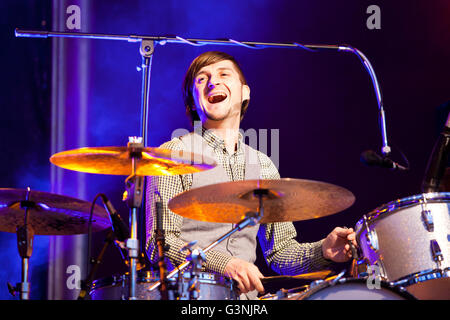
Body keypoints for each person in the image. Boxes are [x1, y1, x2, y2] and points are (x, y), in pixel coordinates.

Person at [145, 51, 357, 299]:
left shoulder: (263, 165)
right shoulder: (172, 154)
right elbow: (159, 244)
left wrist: (324, 251)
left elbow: (280, 252)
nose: (213, 81)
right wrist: (225, 264)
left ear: (245, 93)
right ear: (192, 102)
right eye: (202, 79)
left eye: (224, 74)